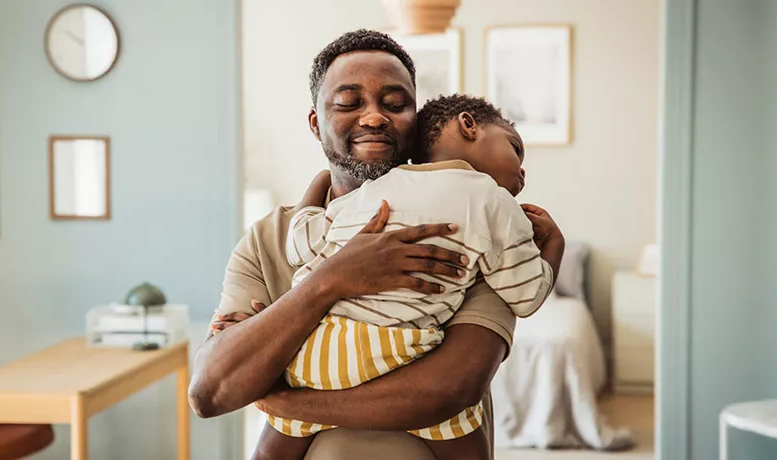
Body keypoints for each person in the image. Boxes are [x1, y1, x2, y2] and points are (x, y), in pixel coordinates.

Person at [188, 29, 566, 460]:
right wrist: (330, 280)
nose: (374, 118)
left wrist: (283, 397)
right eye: (349, 103)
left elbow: (452, 386)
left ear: (416, 119)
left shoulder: (461, 223)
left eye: (395, 104)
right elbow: (211, 391)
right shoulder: (268, 238)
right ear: (316, 123)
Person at [256, 93, 558, 460]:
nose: (522, 171)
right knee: (469, 440)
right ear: (468, 125)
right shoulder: (494, 200)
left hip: (320, 351)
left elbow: (301, 245)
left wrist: (318, 185)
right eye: (516, 149)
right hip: (405, 359)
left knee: (272, 452)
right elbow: (526, 296)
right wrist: (554, 243)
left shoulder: (374, 189)